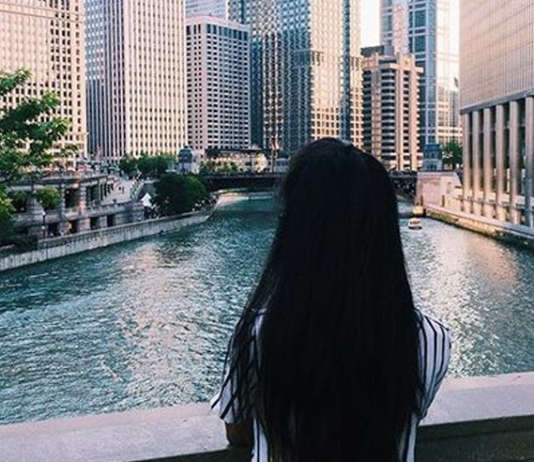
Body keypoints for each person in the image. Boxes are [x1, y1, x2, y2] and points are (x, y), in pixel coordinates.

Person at [212, 138, 451, 462]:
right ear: (385, 230)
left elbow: (237, 431)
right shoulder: (432, 339)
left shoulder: (257, 333)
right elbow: (407, 414)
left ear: (295, 230)